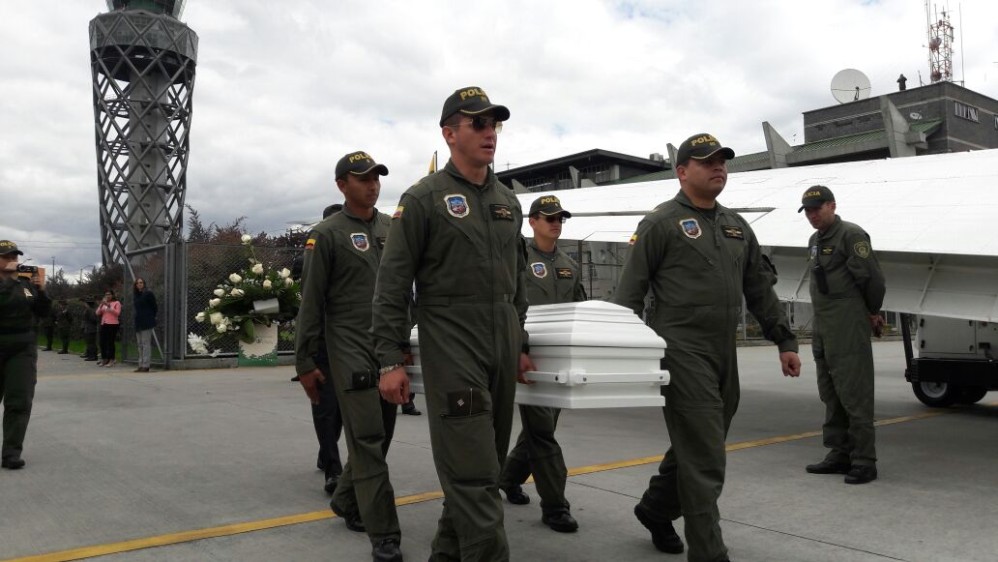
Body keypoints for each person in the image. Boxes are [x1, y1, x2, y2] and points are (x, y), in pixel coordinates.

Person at [612, 133, 801, 562]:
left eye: (722, 161)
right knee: (706, 457)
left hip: (723, 352)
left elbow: (759, 289)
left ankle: (656, 508)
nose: (718, 167)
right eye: (706, 161)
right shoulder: (660, 224)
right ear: (682, 172)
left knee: (700, 445)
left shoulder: (737, 226)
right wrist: (625, 355)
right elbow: (628, 295)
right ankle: (709, 552)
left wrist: (783, 339)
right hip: (679, 349)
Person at [373, 86, 533, 561]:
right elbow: (394, 283)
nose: (489, 133)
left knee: (485, 461)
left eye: (494, 124)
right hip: (451, 338)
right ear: (449, 133)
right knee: (474, 474)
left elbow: (517, 279)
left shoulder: (508, 200)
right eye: (477, 123)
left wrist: (520, 340)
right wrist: (388, 358)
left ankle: (446, 553)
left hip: (502, 340)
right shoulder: (424, 199)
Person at [294, 151, 402, 562]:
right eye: (362, 178)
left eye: (376, 177)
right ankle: (384, 533)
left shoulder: (394, 228)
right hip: (349, 347)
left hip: (387, 348)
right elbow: (311, 303)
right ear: (342, 185)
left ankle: (345, 498)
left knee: (382, 435)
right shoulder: (326, 235)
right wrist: (304, 361)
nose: (372, 184)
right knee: (369, 439)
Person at [499, 195, 586, 534]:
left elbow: (578, 308)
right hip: (526, 355)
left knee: (540, 429)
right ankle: (555, 507)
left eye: (560, 217)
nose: (555, 222)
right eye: (548, 217)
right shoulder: (517, 258)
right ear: (532, 221)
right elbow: (511, 303)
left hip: (558, 358)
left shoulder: (570, 264)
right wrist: (517, 346)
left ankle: (507, 479)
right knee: (542, 433)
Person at [799, 185, 886, 485]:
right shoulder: (814, 239)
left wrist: (872, 312)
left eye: (817, 208)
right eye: (808, 211)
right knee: (830, 391)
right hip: (824, 324)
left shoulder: (851, 235)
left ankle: (864, 460)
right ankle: (839, 453)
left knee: (854, 391)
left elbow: (872, 279)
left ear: (832, 206)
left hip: (848, 321)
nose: (812, 215)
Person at [300, 202, 344, 488]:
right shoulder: (313, 249)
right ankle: (332, 468)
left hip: (352, 338)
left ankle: (325, 453)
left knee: (340, 407)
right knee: (326, 404)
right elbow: (309, 300)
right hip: (325, 339)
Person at [0, 240, 51, 469]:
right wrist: (9, 280)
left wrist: (40, 292)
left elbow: (40, 310)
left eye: (15, 256)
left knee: (19, 400)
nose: (13, 260)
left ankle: (11, 452)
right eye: (7, 256)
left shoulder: (24, 286)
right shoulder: (10, 283)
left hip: (22, 348)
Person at [132, 278, 157, 372]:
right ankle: (140, 364)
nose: (139, 284)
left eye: (141, 282)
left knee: (146, 343)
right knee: (140, 344)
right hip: (138, 321)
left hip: (147, 321)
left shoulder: (148, 294)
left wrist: (151, 316)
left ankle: (146, 365)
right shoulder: (136, 295)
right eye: (137, 283)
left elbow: (154, 307)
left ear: (144, 284)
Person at [96, 290, 121, 367]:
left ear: (112, 295)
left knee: (110, 342)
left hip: (113, 324)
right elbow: (97, 313)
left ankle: (111, 359)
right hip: (104, 323)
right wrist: (101, 305)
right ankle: (104, 359)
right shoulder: (103, 304)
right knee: (102, 342)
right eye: (106, 294)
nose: (107, 296)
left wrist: (108, 306)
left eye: (109, 294)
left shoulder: (117, 303)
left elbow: (117, 313)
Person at [81, 297, 99, 361]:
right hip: (90, 328)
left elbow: (93, 319)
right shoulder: (92, 310)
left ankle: (92, 356)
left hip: (90, 328)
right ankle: (92, 355)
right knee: (91, 342)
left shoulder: (89, 310)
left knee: (91, 343)